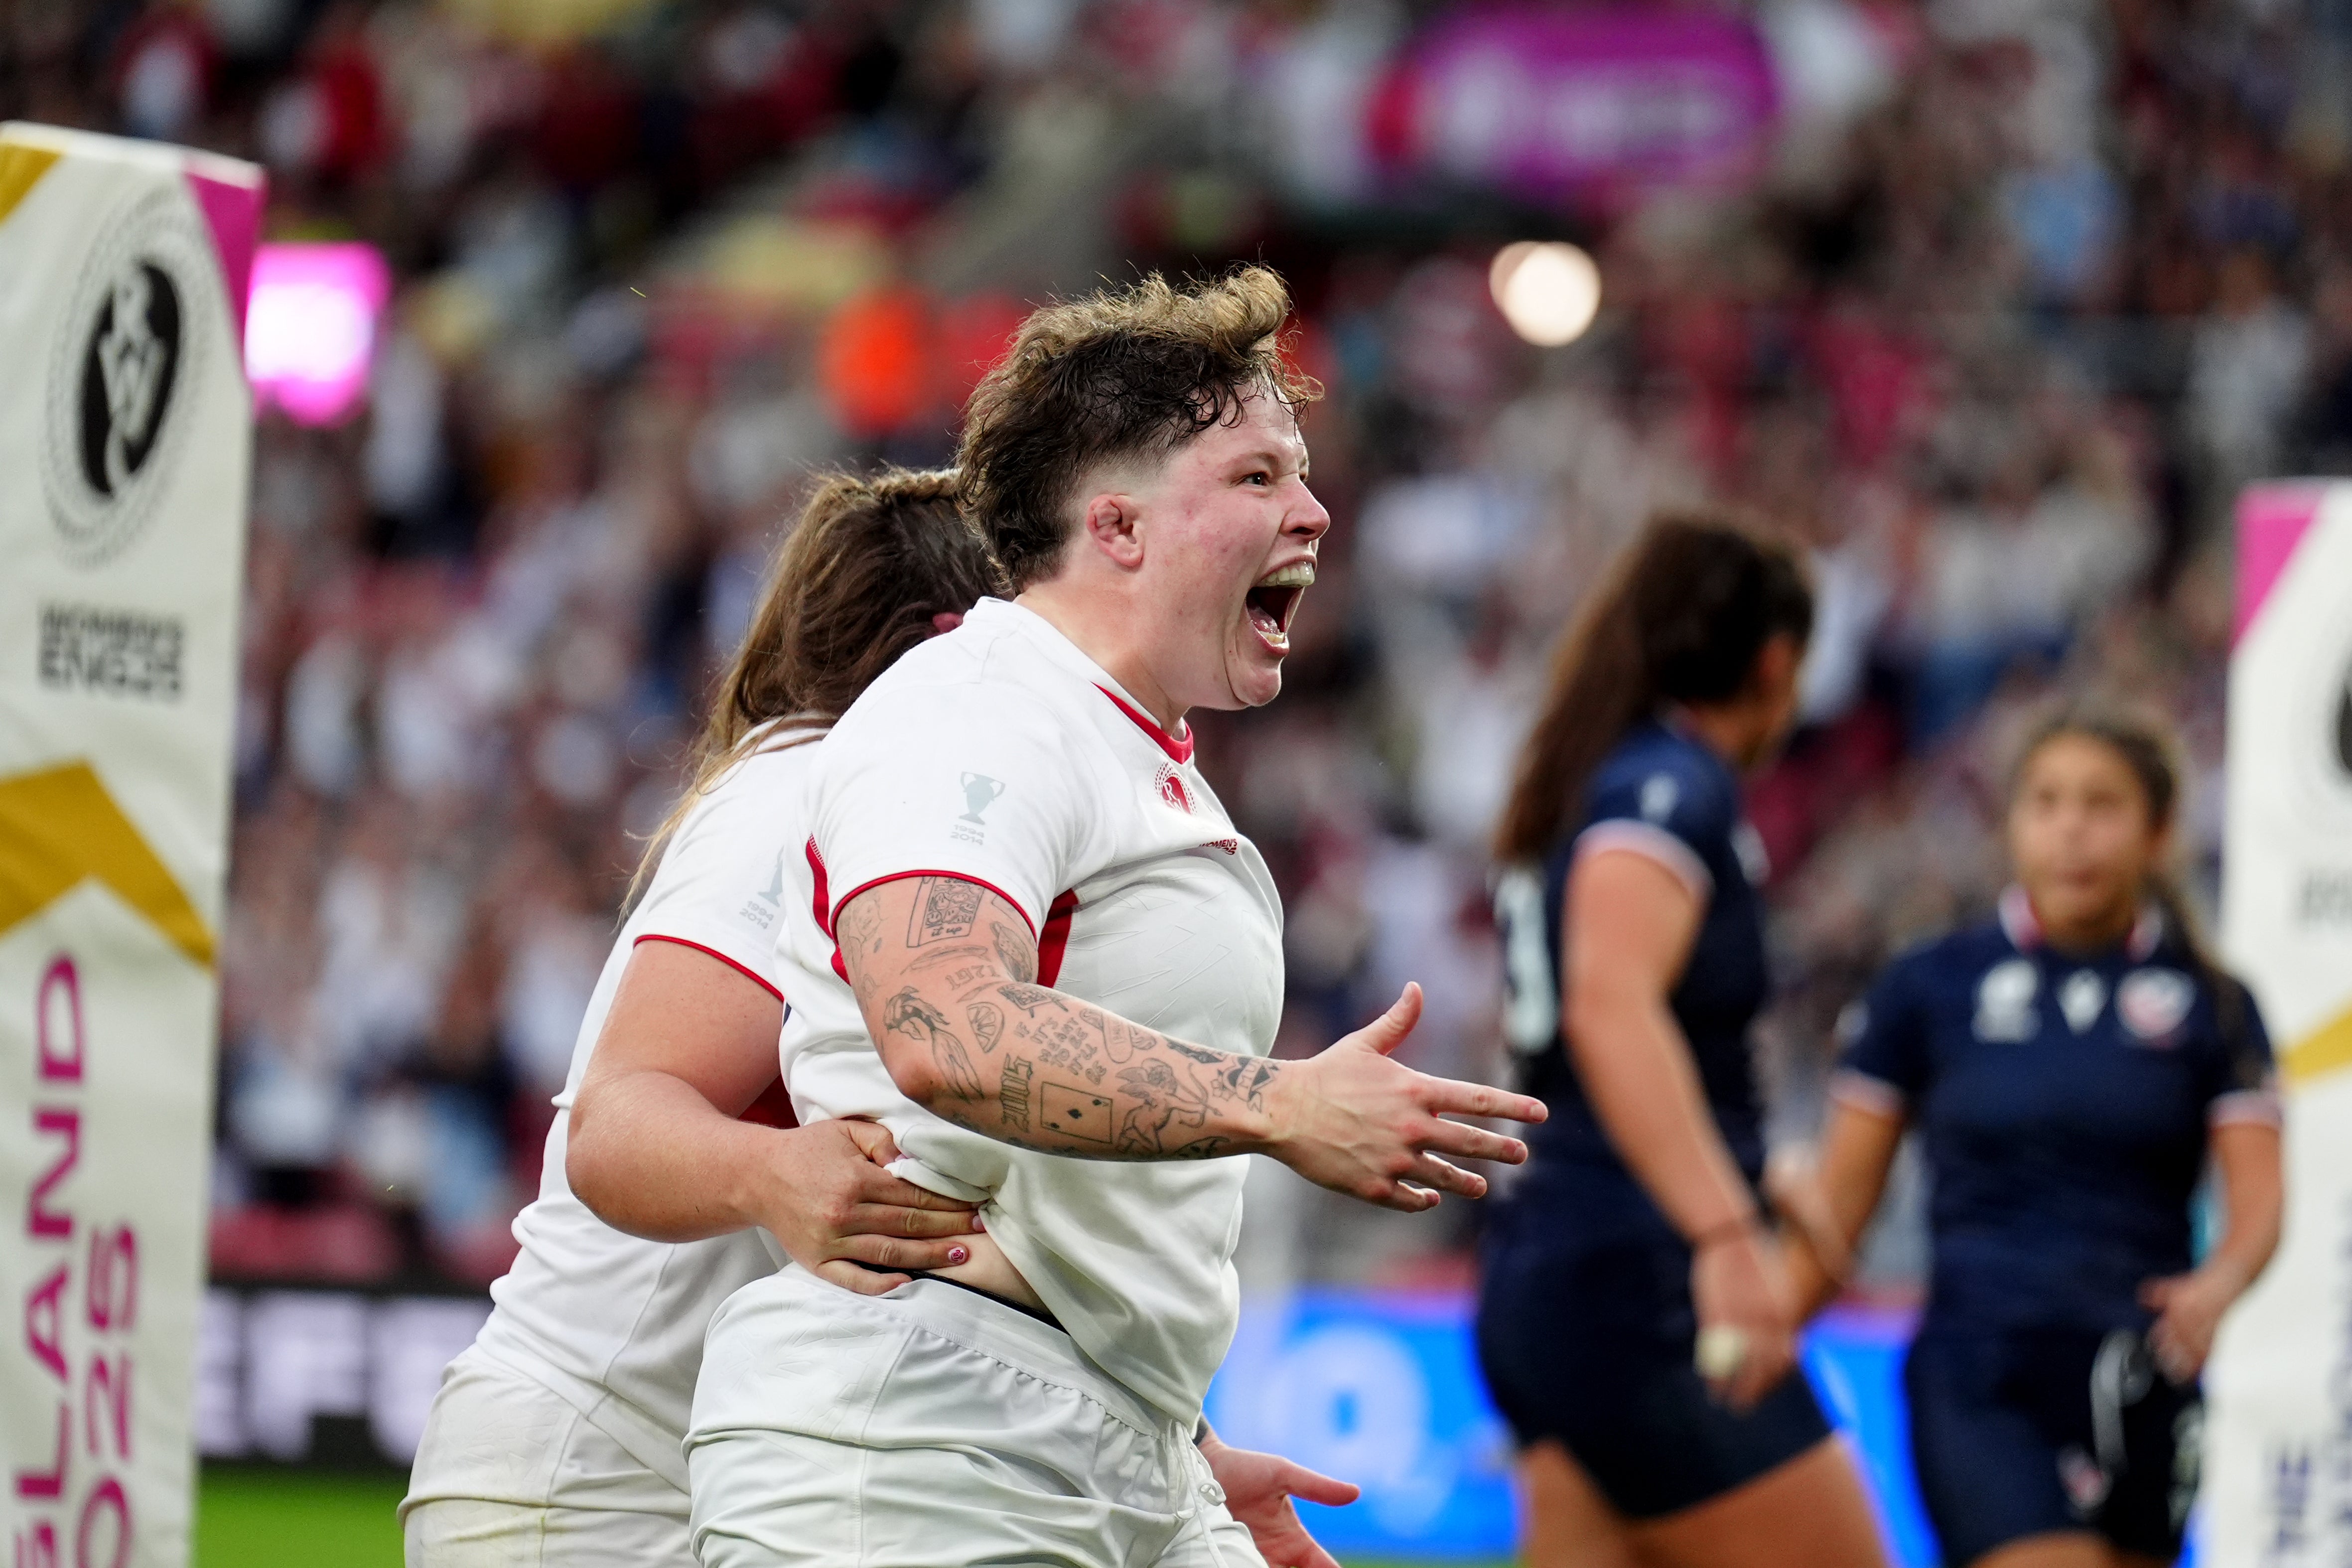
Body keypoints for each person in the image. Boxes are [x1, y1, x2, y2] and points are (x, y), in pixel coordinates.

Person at [681, 266, 1550, 1568]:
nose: (1312, 509)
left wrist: (1177, 1455)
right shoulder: (978, 706)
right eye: (1257, 478)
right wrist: (1277, 1102)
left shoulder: (1130, 751)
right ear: (1120, 527)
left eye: (1302, 473)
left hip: (1097, 1437)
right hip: (921, 1449)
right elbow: (946, 1027)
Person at [401, 469, 1004, 1567]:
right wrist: (774, 1174)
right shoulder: (804, 793)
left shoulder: (893, 820)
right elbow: (614, 1127)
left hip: (683, 1475)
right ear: (946, 643)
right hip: (588, 1482)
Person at [1476, 514, 1890, 1568]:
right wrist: (1723, 1227)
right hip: (1641, 1280)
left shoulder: (1594, 776)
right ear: (1777, 662)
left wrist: (1746, 1166)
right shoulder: (1671, 787)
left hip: (1554, 1265)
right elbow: (1608, 1005)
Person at [1787, 703, 2284, 1568]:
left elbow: (2259, 1196)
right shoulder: (1926, 987)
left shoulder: (2215, 1004)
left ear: (2157, 829)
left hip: (2140, 1380)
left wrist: (2222, 1281)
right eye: (2046, 803)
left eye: (2100, 805)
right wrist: (1760, 1311)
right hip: (1978, 1376)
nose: (2071, 832)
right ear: (2009, 822)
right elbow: (1840, 1210)